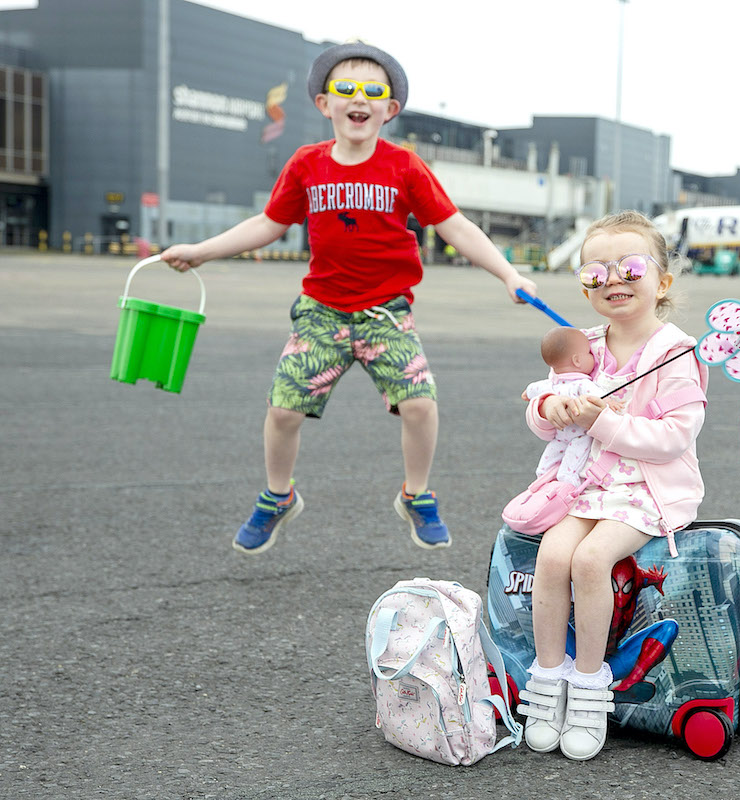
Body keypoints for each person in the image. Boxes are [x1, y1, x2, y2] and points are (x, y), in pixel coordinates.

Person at [159, 41, 537, 553]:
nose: (359, 98)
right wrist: (202, 251)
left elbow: (455, 226)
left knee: (421, 405)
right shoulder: (307, 164)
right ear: (324, 103)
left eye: (373, 91)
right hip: (322, 312)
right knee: (283, 411)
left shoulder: (404, 166)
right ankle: (277, 496)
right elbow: (269, 224)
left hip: (387, 313)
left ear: (390, 109)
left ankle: (417, 494)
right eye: (346, 89)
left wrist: (508, 274)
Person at [515, 211, 708, 761]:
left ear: (662, 282)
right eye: (595, 272)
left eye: (628, 268)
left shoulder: (676, 353)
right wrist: (554, 406)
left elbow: (675, 436)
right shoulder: (585, 344)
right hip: (588, 485)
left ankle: (590, 687)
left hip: (647, 488)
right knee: (553, 556)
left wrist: (600, 420)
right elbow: (542, 411)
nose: (613, 281)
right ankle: (548, 681)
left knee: (591, 560)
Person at [521, 327, 624, 486]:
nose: (593, 357)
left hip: (559, 435)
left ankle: (542, 479)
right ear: (577, 360)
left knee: (548, 459)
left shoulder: (550, 383)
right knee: (574, 457)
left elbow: (532, 389)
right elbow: (598, 397)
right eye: (589, 354)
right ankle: (568, 479)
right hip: (579, 433)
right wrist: (609, 402)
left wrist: (527, 393)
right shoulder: (582, 383)